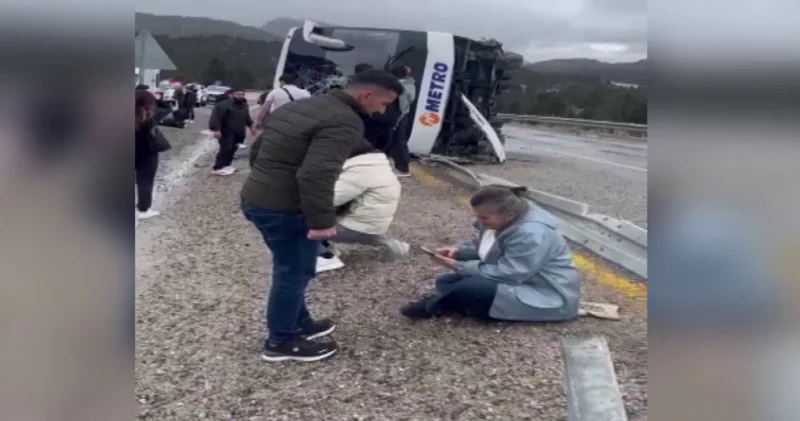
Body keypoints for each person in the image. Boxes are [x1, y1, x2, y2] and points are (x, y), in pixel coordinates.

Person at [241, 69, 404, 362]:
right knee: (294, 273)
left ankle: (299, 322)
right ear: (366, 95)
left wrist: (265, 183)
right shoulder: (344, 121)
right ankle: (281, 341)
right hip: (284, 209)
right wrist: (322, 223)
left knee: (291, 266)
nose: (382, 111)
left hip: (256, 198)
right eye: (384, 103)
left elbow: (258, 150)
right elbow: (317, 173)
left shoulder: (301, 106)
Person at [400, 185, 581, 322]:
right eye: (477, 216)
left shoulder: (531, 234)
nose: (479, 221)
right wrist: (458, 253)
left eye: (484, 218)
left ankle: (431, 307)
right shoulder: (499, 222)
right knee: (446, 281)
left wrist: (458, 266)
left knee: (471, 287)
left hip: (545, 293)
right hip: (519, 282)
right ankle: (459, 304)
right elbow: (484, 247)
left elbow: (511, 273)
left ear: (509, 214)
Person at [313, 150, 410, 273]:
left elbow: (328, 200)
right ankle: (392, 245)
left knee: (302, 219)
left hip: (356, 227)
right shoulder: (376, 167)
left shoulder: (360, 172)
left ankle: (325, 256)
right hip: (370, 226)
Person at [135, 90, 171, 222]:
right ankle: (143, 209)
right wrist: (159, 98)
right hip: (147, 153)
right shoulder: (151, 116)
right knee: (145, 182)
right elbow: (168, 108)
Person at [208, 88, 256, 176]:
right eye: (238, 94)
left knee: (233, 149)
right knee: (226, 149)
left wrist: (251, 126)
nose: (241, 96)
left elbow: (247, 117)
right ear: (231, 95)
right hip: (226, 132)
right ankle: (217, 168)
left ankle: (226, 165)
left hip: (239, 132)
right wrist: (216, 130)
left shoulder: (244, 105)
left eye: (242, 94)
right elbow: (216, 118)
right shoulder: (223, 105)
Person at [385, 65, 416, 177]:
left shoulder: (402, 87)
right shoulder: (408, 84)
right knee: (395, 141)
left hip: (398, 117)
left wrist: (397, 119)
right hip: (398, 117)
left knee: (398, 142)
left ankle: (402, 168)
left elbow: (402, 106)